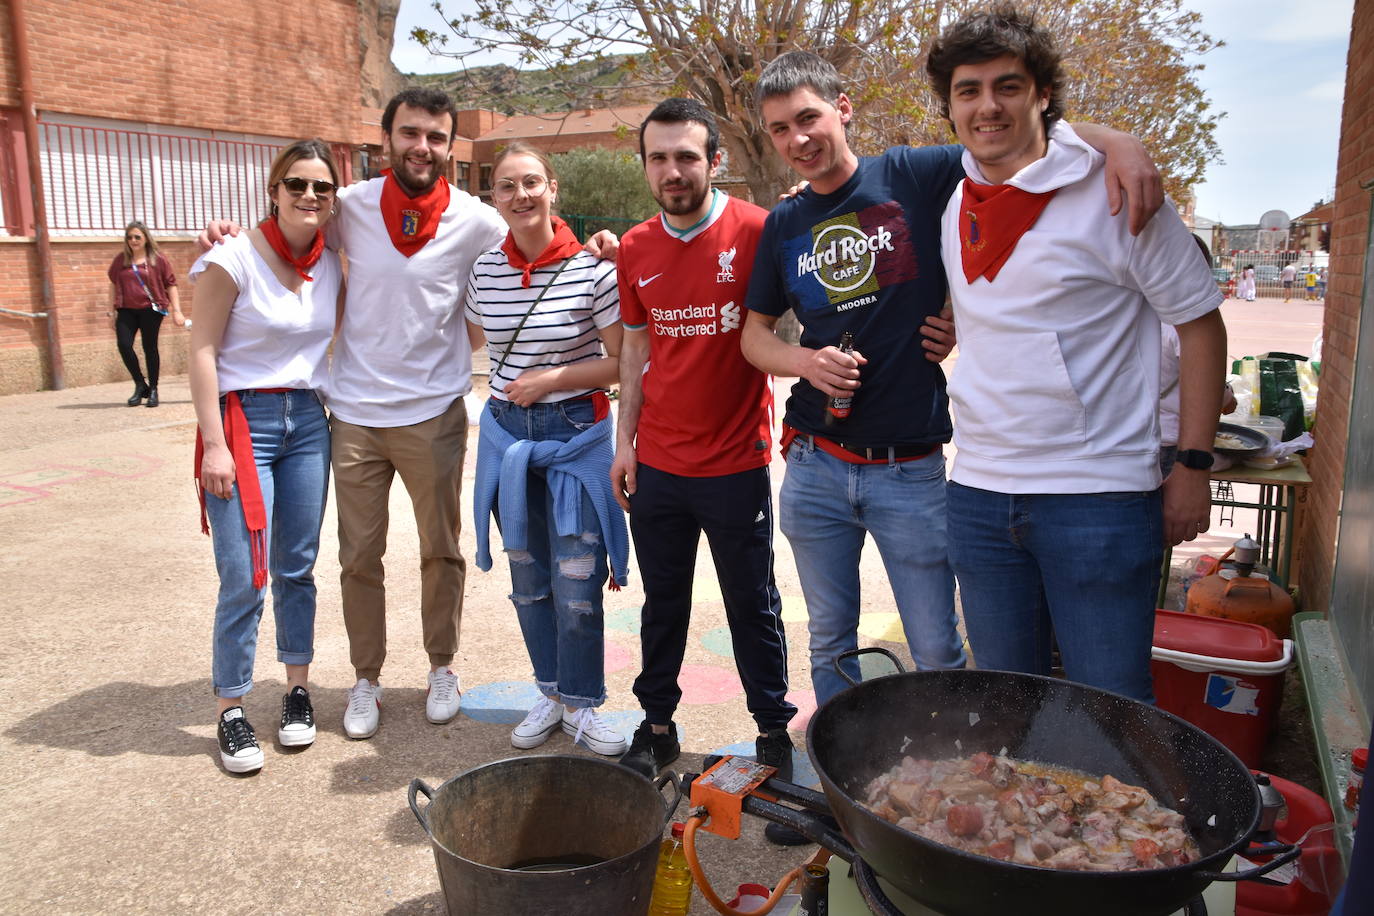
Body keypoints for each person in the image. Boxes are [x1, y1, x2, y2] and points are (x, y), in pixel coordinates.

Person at [741, 50, 1163, 706]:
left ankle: (946, 769)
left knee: (937, 645)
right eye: (779, 129)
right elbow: (754, 336)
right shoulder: (785, 224)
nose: (798, 139)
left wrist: (1121, 144)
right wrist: (803, 362)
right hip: (815, 466)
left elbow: (1019, 138)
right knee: (829, 640)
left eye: (808, 118)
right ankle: (842, 780)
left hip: (909, 470)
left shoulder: (913, 173)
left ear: (842, 109)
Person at [200, 88, 614, 740]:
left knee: (440, 551)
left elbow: (538, 238)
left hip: (435, 414)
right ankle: (366, 678)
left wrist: (605, 245)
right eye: (411, 133)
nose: (423, 146)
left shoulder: (478, 217)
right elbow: (290, 228)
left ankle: (441, 667)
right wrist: (231, 233)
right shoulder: (351, 206)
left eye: (436, 137)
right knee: (358, 556)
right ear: (389, 139)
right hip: (355, 416)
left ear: (449, 146)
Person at [925, 5, 1227, 701]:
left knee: (1112, 708)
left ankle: (1118, 816)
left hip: (1097, 497)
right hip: (978, 492)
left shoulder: (1118, 193)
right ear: (949, 106)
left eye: (1008, 85)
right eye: (968, 90)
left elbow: (1202, 326)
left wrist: (1193, 464)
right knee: (1005, 703)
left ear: (1043, 95)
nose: (987, 105)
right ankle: (1030, 817)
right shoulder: (957, 201)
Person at [610, 99, 798, 786]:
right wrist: (624, 442)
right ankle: (657, 730)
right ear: (645, 167)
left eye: (687, 155)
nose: (673, 170)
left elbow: (794, 324)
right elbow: (635, 350)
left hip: (734, 465)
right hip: (658, 463)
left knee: (753, 604)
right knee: (663, 606)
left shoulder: (759, 230)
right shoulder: (634, 248)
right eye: (658, 157)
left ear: (714, 160)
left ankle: (773, 733)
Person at [467, 142, 629, 756]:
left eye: (531, 182)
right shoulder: (485, 271)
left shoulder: (595, 270)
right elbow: (460, 331)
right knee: (528, 578)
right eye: (506, 187)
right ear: (494, 198)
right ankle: (552, 692)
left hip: (573, 437)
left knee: (577, 580)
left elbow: (620, 360)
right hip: (509, 437)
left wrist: (552, 380)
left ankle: (584, 704)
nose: (520, 196)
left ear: (553, 187)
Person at [188, 139, 343, 773]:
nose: (310, 196)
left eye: (322, 188)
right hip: (242, 422)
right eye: (297, 185)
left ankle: (297, 692)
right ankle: (231, 708)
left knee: (297, 564)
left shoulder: (332, 259)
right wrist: (215, 446)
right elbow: (200, 351)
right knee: (243, 571)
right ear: (274, 190)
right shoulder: (232, 260)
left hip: (308, 419)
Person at [107, 221, 185, 407]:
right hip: (126, 309)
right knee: (124, 345)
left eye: (137, 237)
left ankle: (154, 389)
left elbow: (171, 285)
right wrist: (110, 311)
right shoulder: (121, 260)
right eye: (129, 237)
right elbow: (112, 284)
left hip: (151, 309)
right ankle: (140, 384)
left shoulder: (158, 260)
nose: (133, 240)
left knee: (149, 348)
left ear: (146, 239)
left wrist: (177, 311)